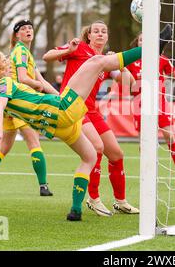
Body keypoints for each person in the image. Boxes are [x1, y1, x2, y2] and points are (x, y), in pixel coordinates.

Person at [0, 25, 171, 221]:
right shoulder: (5, 84)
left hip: (56, 126)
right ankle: (153, 48)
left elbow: (6, 103)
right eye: (5, 64)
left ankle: (75, 210)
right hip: (63, 109)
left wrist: (46, 89)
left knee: (90, 157)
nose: (9, 65)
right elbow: (0, 107)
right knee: (95, 62)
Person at [43, 21, 148, 217]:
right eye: (96, 31)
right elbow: (46, 56)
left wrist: (122, 66)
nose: (100, 34)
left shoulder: (105, 61)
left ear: (107, 37)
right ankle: (94, 198)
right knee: (97, 147)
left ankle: (121, 201)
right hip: (74, 107)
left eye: (104, 31)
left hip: (92, 111)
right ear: (89, 36)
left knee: (117, 154)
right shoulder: (79, 47)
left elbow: (131, 84)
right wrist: (67, 49)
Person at [0, 19, 58, 196]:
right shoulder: (20, 51)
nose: (28, 30)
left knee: (4, 147)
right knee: (34, 144)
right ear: (17, 35)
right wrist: (39, 86)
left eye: (30, 28)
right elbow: (24, 79)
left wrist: (59, 96)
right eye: (24, 29)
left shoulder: (24, 52)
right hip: (20, 103)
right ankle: (43, 186)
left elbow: (41, 81)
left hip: (9, 102)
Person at [126, 32, 175, 185]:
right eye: (141, 40)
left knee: (170, 137)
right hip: (140, 105)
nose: (144, 42)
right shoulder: (131, 61)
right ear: (137, 43)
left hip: (160, 104)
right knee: (145, 141)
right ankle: (146, 174)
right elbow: (123, 76)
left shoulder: (161, 59)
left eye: (147, 39)